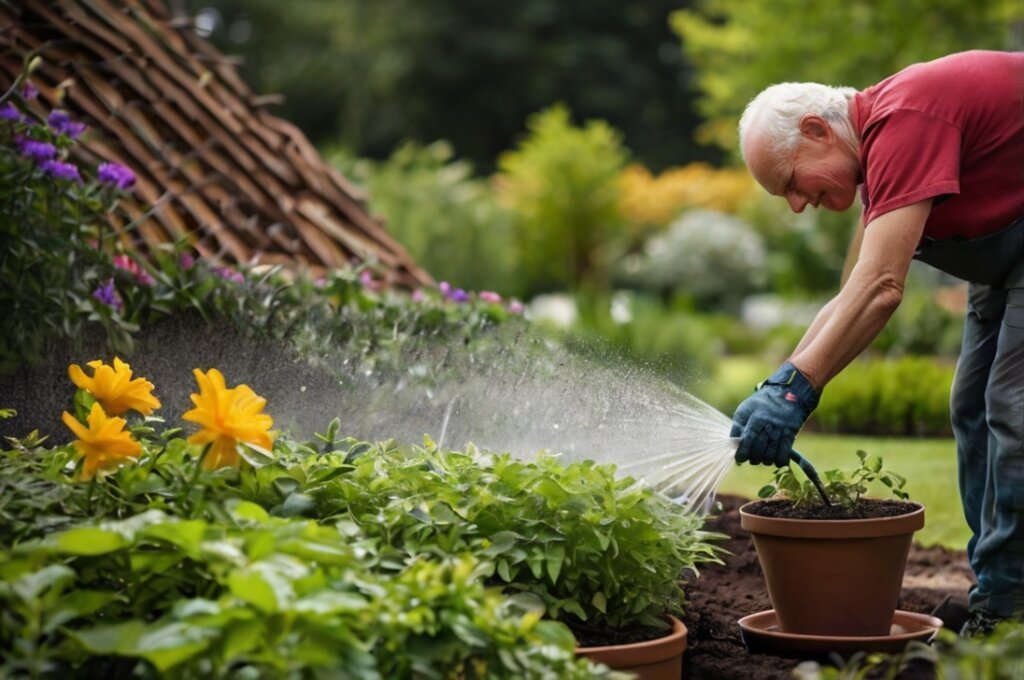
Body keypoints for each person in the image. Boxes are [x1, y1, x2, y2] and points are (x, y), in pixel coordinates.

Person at [729, 50, 1024, 636]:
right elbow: (851, 296)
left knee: (1013, 410)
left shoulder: (907, 117)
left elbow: (883, 289)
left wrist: (795, 392)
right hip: (1005, 258)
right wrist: (779, 381)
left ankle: (1010, 608)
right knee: (970, 409)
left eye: (790, 182)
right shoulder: (885, 150)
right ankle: (998, 586)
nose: (795, 205)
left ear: (817, 130)